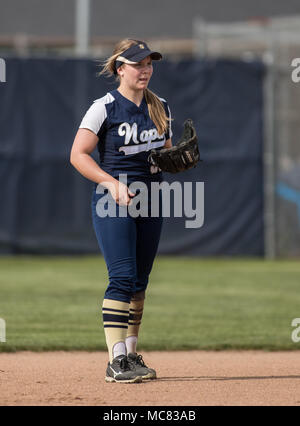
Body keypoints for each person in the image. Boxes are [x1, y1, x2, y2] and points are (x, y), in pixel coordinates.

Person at [70, 38, 172, 383]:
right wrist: (111, 183)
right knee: (122, 277)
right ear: (120, 69)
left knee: (140, 284)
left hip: (152, 200)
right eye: (137, 64)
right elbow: (78, 154)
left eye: (149, 64)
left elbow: (166, 156)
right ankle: (116, 362)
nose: (145, 70)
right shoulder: (105, 107)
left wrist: (177, 161)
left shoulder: (161, 107)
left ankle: (130, 355)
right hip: (113, 200)